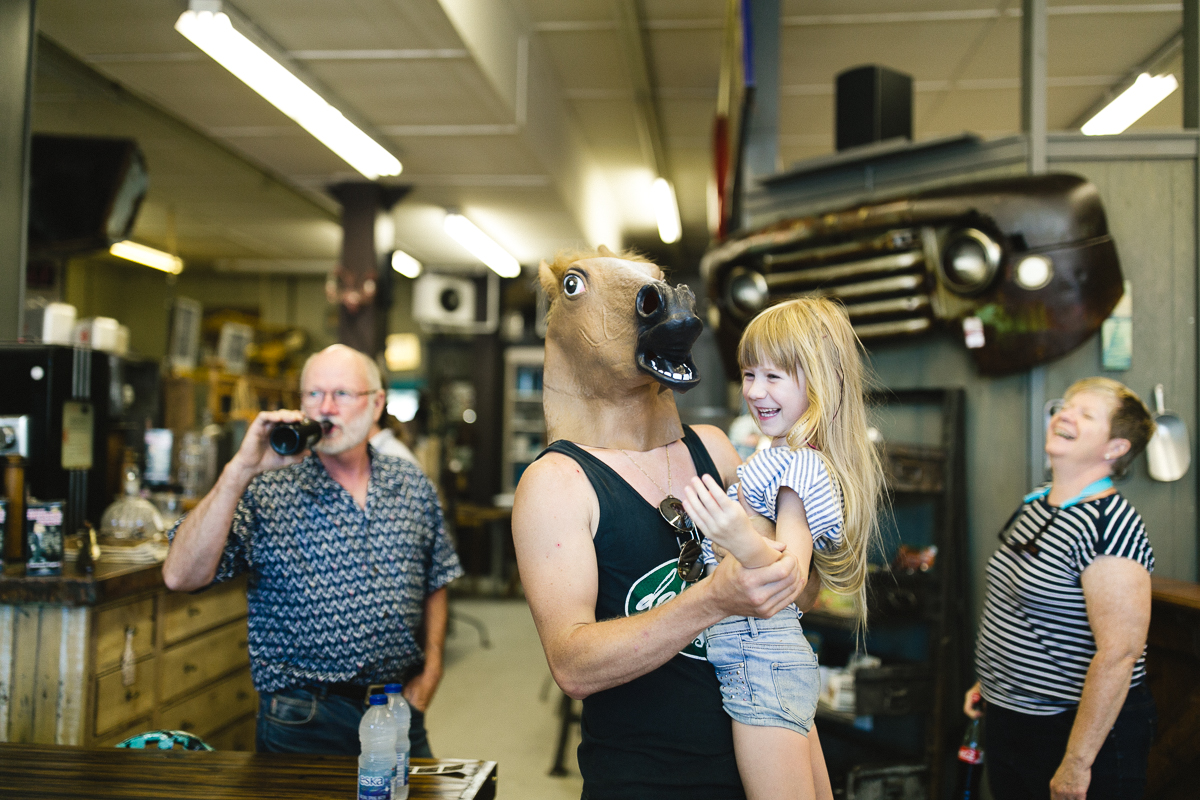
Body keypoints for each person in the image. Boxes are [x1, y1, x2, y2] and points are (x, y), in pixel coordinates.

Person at [514, 247, 810, 799]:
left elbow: (793, 598)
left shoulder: (716, 451)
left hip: (760, 761)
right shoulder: (557, 484)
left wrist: (801, 537)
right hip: (648, 782)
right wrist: (713, 600)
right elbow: (573, 666)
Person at [163, 344, 462, 756]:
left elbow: (437, 577)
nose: (325, 409)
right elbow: (180, 576)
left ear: (376, 404)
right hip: (303, 717)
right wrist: (239, 471)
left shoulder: (410, 483)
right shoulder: (267, 488)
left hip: (396, 709)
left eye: (341, 394)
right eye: (313, 395)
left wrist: (431, 670)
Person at [681, 297, 883, 800]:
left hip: (761, 658)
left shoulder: (800, 467)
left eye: (775, 377)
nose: (755, 391)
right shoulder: (780, 457)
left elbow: (791, 579)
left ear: (818, 382)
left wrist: (735, 537)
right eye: (749, 375)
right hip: (772, 657)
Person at [964, 377, 1157, 800]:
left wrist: (1077, 762)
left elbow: (1120, 653)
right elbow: (1014, 603)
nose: (1064, 415)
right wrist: (992, 681)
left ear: (1116, 448)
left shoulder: (1111, 526)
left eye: (1086, 414)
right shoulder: (1037, 502)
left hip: (1075, 731)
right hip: (1009, 716)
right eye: (1066, 406)